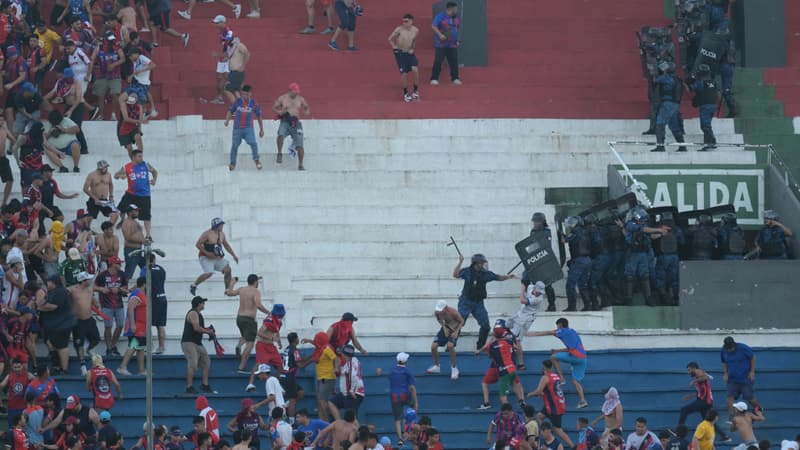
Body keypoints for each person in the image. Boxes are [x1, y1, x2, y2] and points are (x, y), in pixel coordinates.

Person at [453, 253, 515, 350]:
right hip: (465, 302)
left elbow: (498, 277)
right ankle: (451, 345)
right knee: (458, 324)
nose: (483, 264)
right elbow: (455, 275)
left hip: (478, 303)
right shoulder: (467, 271)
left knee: (486, 326)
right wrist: (460, 262)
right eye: (481, 263)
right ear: (475, 263)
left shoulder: (486, 274)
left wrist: (508, 276)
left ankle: (480, 346)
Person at [526, 318, 588, 408]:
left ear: (560, 325)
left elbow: (547, 332)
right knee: (576, 381)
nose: (557, 327)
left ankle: (562, 378)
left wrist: (528, 334)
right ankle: (583, 400)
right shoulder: (573, 331)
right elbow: (571, 348)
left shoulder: (561, 331)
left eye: (557, 326)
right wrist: (557, 350)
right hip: (583, 358)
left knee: (553, 357)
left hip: (575, 357)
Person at [526, 359, 572, 448]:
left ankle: (573, 446)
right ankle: (544, 436)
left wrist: (530, 394)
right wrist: (543, 394)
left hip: (554, 406)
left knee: (558, 430)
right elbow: (552, 389)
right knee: (539, 417)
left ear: (544, 367)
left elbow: (539, 391)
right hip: (556, 403)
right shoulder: (556, 376)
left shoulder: (545, 377)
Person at [37, 275, 77, 374]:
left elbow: (52, 306)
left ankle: (64, 369)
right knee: (51, 344)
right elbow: (44, 302)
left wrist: (38, 308)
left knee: (62, 346)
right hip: (52, 325)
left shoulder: (60, 291)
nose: (47, 283)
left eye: (49, 281)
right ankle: (56, 366)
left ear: (54, 282)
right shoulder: (51, 292)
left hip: (62, 324)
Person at [114, 150, 157, 240]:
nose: (141, 158)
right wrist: (119, 176)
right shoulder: (127, 167)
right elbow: (116, 175)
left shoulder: (145, 165)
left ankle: (148, 235)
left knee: (146, 215)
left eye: (141, 156)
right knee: (121, 208)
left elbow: (154, 171)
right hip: (131, 193)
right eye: (139, 156)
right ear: (133, 157)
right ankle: (122, 220)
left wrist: (154, 180)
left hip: (144, 194)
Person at [191, 217, 238, 295]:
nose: (222, 226)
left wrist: (234, 255)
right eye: (221, 225)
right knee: (209, 273)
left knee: (228, 269)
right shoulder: (207, 234)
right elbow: (198, 244)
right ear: (216, 226)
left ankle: (227, 289)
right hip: (205, 257)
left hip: (216, 257)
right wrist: (207, 253)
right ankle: (193, 285)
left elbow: (226, 245)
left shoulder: (222, 234)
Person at [245, 304, 286, 391]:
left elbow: (276, 332)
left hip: (271, 346)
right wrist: (271, 338)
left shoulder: (279, 322)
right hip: (262, 345)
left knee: (280, 366)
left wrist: (279, 341)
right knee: (259, 364)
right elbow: (259, 333)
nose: (281, 316)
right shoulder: (269, 321)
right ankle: (250, 383)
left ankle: (276, 386)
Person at [181, 296, 217, 394]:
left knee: (206, 362)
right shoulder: (193, 313)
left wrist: (207, 329)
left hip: (197, 342)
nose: (204, 304)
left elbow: (199, 327)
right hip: (189, 342)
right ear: (198, 304)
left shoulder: (198, 314)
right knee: (193, 363)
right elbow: (196, 328)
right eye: (203, 303)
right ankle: (189, 386)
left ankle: (205, 385)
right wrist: (208, 332)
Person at [649, 62, 687, 153]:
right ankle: (682, 146)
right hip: (675, 104)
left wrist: (655, 72)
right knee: (674, 126)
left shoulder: (666, 77)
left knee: (660, 123)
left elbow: (655, 80)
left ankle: (660, 146)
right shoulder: (677, 78)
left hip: (667, 104)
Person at [69, 271, 101, 374]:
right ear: (83, 280)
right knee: (79, 344)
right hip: (78, 321)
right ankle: (82, 366)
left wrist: (96, 303)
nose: (90, 280)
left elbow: (92, 299)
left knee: (96, 339)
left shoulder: (90, 289)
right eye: (88, 279)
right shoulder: (72, 290)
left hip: (89, 319)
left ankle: (89, 349)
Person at [94, 256, 128, 356]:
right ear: (112, 264)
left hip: (119, 305)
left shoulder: (122, 274)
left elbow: (126, 288)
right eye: (118, 263)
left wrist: (119, 289)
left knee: (120, 325)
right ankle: (109, 348)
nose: (120, 265)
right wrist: (101, 289)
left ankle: (113, 345)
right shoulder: (102, 275)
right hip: (106, 305)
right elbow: (94, 287)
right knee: (108, 326)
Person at [225, 85, 264, 171]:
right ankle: (232, 163)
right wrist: (227, 120)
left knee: (253, 143)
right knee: (234, 145)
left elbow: (259, 115)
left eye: (246, 94)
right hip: (237, 128)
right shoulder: (237, 102)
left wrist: (261, 129)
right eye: (243, 94)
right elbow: (230, 111)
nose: (244, 96)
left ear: (250, 94)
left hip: (248, 128)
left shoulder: (253, 103)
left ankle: (256, 160)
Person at [273, 83, 311, 169]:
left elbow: (306, 106)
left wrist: (306, 110)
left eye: (297, 91)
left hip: (296, 123)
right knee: (280, 135)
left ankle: (300, 164)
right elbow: (274, 107)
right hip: (285, 121)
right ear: (290, 91)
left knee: (300, 144)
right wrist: (279, 112)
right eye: (295, 91)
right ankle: (279, 153)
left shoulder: (300, 99)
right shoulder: (283, 98)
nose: (296, 93)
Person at [508, 280, 545, 368]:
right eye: (538, 291)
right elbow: (526, 282)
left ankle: (521, 364)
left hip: (526, 319)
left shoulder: (538, 299)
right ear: (534, 288)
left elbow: (522, 300)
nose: (539, 293)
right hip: (520, 314)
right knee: (506, 325)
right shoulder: (530, 287)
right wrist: (523, 282)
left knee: (517, 340)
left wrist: (522, 289)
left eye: (540, 292)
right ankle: (509, 350)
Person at [90, 32, 125, 122]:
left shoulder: (117, 48)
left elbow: (123, 59)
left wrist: (114, 64)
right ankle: (101, 115)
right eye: (109, 40)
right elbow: (92, 58)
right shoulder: (99, 48)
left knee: (115, 93)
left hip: (115, 75)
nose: (111, 41)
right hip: (103, 75)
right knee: (100, 95)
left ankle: (113, 114)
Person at [721, 336, 761, 414]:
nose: (729, 350)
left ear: (734, 345)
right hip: (732, 379)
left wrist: (752, 372)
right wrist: (725, 373)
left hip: (745, 378)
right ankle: (732, 417)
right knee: (729, 398)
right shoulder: (723, 350)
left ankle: (759, 410)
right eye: (728, 348)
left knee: (749, 398)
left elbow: (753, 358)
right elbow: (724, 362)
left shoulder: (743, 348)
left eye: (731, 348)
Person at [562, 216, 594, 311]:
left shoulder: (575, 232)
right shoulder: (585, 231)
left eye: (573, 222)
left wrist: (561, 234)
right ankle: (588, 306)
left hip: (579, 261)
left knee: (570, 285)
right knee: (582, 285)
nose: (570, 225)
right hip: (587, 260)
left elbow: (564, 241)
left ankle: (572, 307)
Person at [117, 277, 148, 376]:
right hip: (136, 326)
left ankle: (141, 370)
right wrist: (133, 324)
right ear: (144, 284)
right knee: (134, 345)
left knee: (140, 347)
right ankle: (122, 367)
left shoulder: (142, 294)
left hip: (142, 326)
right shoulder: (136, 294)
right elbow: (130, 308)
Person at [427, 299, 463, 379]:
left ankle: (454, 367)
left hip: (455, 328)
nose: (440, 312)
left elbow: (461, 321)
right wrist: (444, 328)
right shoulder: (437, 312)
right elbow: (439, 320)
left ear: (446, 308)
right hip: (446, 326)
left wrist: (456, 332)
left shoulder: (453, 312)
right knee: (433, 346)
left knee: (450, 346)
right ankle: (437, 366)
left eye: (441, 310)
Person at [328, 344, 365, 420]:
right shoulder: (355, 360)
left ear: (344, 354)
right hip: (351, 392)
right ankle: (340, 423)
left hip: (351, 393)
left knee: (352, 419)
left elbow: (353, 375)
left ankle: (353, 427)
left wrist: (351, 390)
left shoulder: (349, 363)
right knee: (332, 402)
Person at [388, 14, 420, 102]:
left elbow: (414, 41)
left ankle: (416, 91)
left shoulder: (416, 30)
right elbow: (390, 39)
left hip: (409, 53)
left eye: (406, 21)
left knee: (415, 70)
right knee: (404, 73)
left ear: (411, 21)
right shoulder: (399, 29)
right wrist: (394, 46)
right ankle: (406, 93)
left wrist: (413, 49)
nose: (404, 23)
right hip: (400, 54)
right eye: (403, 21)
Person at [389, 352, 418, 444]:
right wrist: (416, 402)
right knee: (411, 411)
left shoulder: (392, 370)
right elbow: (412, 387)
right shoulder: (407, 371)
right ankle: (408, 432)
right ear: (406, 361)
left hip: (394, 396)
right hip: (405, 395)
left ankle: (400, 438)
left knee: (397, 419)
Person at [689, 64, 720, 152]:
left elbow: (690, 89)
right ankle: (710, 143)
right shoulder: (713, 82)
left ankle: (710, 143)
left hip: (705, 106)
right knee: (707, 125)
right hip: (713, 105)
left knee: (705, 126)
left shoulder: (700, 83)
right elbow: (718, 94)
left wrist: (688, 82)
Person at [430, 2, 461, 85]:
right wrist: (440, 35)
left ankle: (455, 78)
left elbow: (456, 29)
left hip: (452, 44)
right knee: (438, 61)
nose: (457, 11)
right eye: (455, 9)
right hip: (441, 44)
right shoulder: (440, 16)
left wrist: (457, 40)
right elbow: (433, 26)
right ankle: (434, 78)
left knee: (454, 62)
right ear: (450, 9)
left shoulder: (456, 18)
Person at [83, 160, 119, 225]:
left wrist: (111, 196)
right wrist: (95, 198)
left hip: (104, 200)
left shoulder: (108, 174)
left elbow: (111, 184)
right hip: (94, 199)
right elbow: (85, 189)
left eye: (107, 167)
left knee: (115, 215)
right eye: (105, 168)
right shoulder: (92, 175)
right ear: (100, 168)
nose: (107, 169)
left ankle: (108, 228)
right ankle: (87, 229)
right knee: (89, 217)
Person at [0, 358, 34, 427]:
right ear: (12, 367)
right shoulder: (9, 376)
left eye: (19, 367)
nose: (17, 369)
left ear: (22, 366)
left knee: (24, 428)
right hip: (12, 407)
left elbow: (37, 385)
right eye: (15, 367)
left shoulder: (28, 375)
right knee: (12, 427)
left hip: (24, 407)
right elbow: (1, 386)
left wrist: (33, 379)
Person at [125, 47, 158, 118]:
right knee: (142, 95)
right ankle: (146, 111)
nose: (130, 57)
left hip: (143, 81)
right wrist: (131, 76)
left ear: (136, 54)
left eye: (131, 55)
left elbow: (153, 65)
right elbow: (136, 71)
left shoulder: (142, 57)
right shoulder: (135, 61)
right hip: (138, 81)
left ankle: (151, 109)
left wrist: (142, 70)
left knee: (144, 95)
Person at [148, 253, 168, 353]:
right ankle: (161, 346)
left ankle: (149, 346)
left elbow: (144, 284)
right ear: (154, 259)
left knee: (148, 323)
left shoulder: (147, 269)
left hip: (153, 299)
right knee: (160, 325)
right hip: (163, 297)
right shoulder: (161, 269)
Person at [120, 204, 145, 281]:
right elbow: (128, 237)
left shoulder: (134, 222)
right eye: (136, 211)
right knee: (129, 272)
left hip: (139, 250)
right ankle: (124, 286)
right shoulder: (127, 223)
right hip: (131, 250)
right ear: (130, 212)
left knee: (147, 268)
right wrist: (142, 241)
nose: (138, 212)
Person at [223, 37, 250, 104]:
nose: (225, 42)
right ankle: (242, 106)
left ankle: (235, 107)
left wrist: (243, 66)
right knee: (236, 91)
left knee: (227, 89)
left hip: (237, 72)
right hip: (233, 72)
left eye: (226, 40)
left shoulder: (239, 45)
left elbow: (247, 54)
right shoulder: (230, 48)